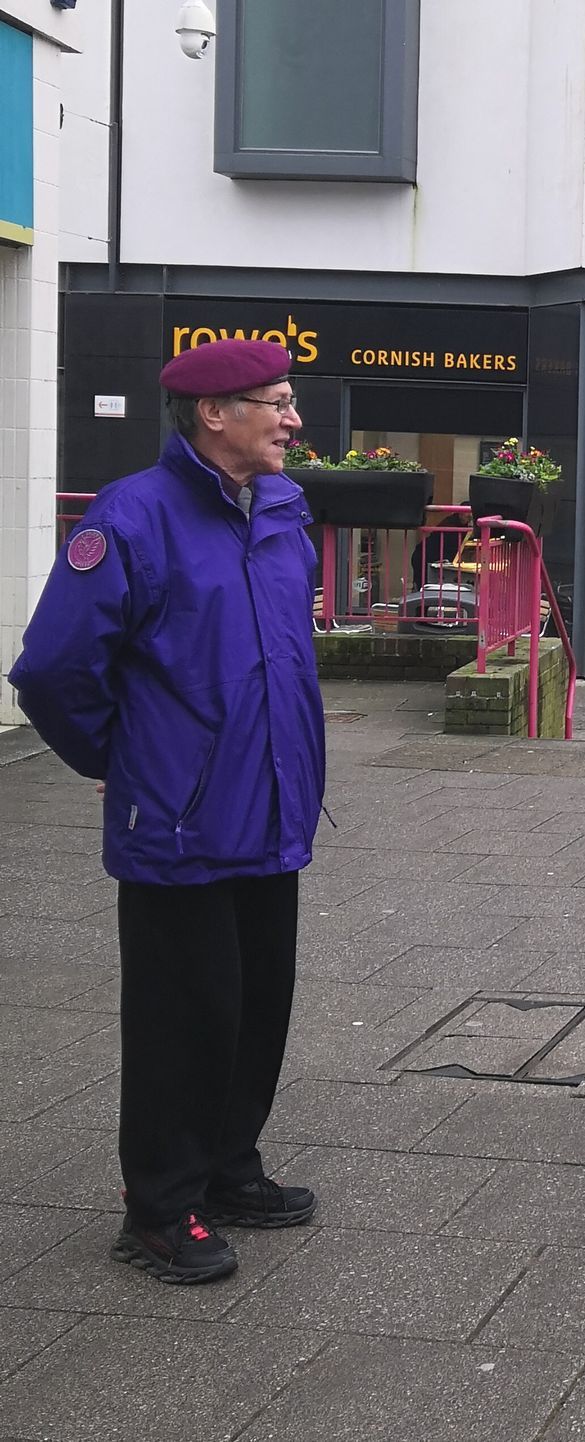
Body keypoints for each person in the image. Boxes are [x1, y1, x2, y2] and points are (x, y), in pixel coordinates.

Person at [9, 340, 324, 1285]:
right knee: (182, 1018)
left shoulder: (280, 507)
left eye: (289, 398)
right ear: (212, 415)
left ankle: (228, 1169)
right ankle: (159, 1208)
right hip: (179, 823)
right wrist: (120, 760)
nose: (293, 417)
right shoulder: (132, 517)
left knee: (257, 1006)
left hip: (271, 811)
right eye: (274, 401)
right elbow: (53, 673)